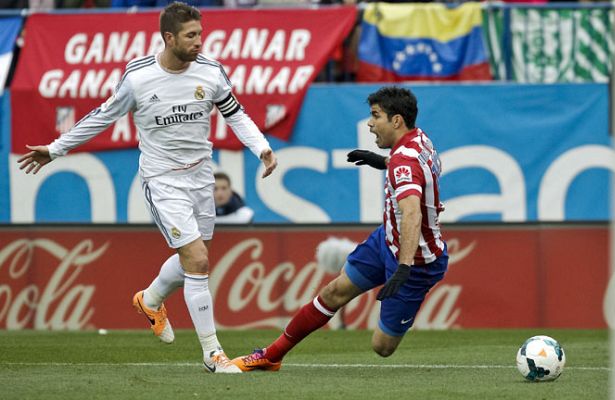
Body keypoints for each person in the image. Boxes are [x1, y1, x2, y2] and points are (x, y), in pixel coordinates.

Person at [17, 2, 277, 374]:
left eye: (201, 34)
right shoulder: (138, 77)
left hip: (201, 174)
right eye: (191, 36)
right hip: (162, 178)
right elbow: (102, 116)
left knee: (195, 257)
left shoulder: (211, 72)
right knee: (198, 260)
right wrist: (56, 149)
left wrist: (262, 148)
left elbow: (235, 114)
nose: (199, 42)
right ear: (168, 37)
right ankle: (212, 354)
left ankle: (150, 299)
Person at [233, 86, 448, 371]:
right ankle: (271, 355)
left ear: (397, 120)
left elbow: (411, 214)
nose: (370, 123)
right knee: (333, 293)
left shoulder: (403, 161)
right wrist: (382, 161)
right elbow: (413, 170)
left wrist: (404, 266)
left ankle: (405, 295)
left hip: (416, 260)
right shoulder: (420, 140)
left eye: (375, 116)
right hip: (387, 240)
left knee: (382, 347)